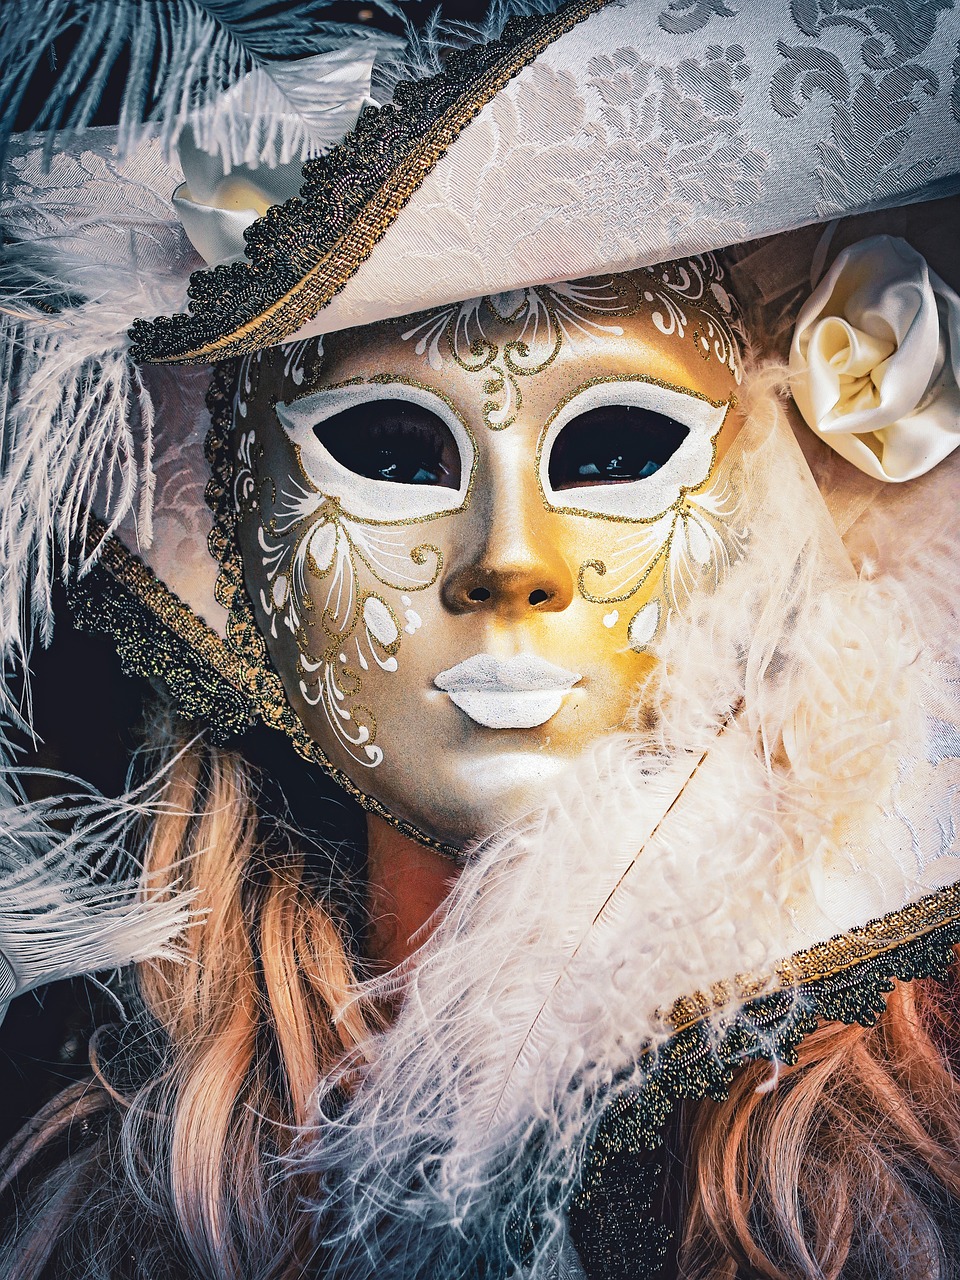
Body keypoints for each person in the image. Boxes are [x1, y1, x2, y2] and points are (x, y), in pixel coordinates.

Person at [1, 2, 959, 1277]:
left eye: (616, 447)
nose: (510, 560)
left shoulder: (917, 1182)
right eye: (391, 450)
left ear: (771, 499)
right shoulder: (110, 1205)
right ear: (226, 525)